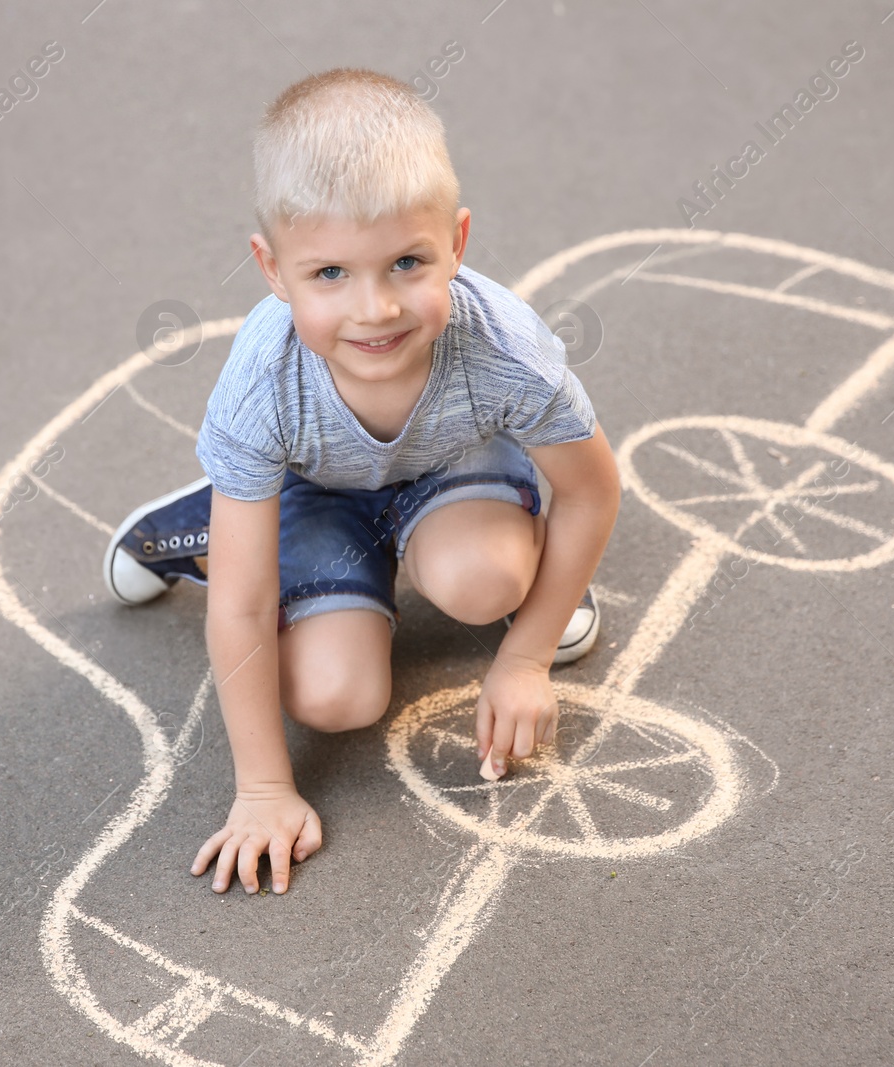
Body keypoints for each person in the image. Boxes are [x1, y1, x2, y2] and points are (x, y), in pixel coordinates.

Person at [102, 69, 620, 895]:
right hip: (316, 490)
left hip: (452, 462)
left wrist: (524, 658)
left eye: (408, 262)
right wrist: (263, 789)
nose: (376, 309)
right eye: (330, 274)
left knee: (485, 581)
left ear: (459, 241)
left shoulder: (504, 350)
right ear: (272, 270)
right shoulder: (262, 384)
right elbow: (242, 606)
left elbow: (590, 489)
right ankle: (212, 519)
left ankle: (529, 568)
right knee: (337, 696)